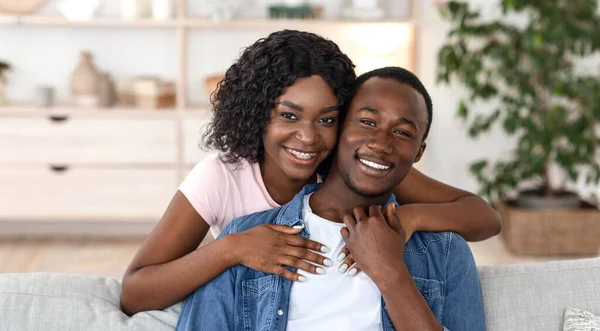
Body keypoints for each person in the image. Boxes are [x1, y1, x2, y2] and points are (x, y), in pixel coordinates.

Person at [158, 67, 491, 331]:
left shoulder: (445, 251)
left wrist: (391, 274)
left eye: (402, 133)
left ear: (418, 152)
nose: (380, 143)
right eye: (367, 121)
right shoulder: (247, 238)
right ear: (339, 127)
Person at [120, 30, 501, 315]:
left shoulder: (348, 166)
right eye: (289, 115)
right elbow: (135, 292)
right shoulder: (222, 177)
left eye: (327, 119)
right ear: (257, 113)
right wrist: (232, 249)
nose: (307, 137)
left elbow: (484, 218)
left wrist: (408, 217)